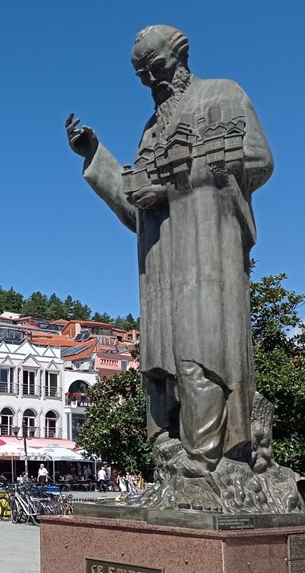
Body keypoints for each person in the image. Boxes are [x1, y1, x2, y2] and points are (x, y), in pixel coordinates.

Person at [67, 24, 273, 481]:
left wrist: (176, 186)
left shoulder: (222, 94)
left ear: (180, 56)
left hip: (207, 251)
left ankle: (205, 460)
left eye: (155, 66)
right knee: (165, 366)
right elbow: (134, 208)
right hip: (161, 265)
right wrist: (96, 157)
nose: (150, 79)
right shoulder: (149, 132)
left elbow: (258, 162)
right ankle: (174, 452)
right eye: (140, 73)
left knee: (202, 353)